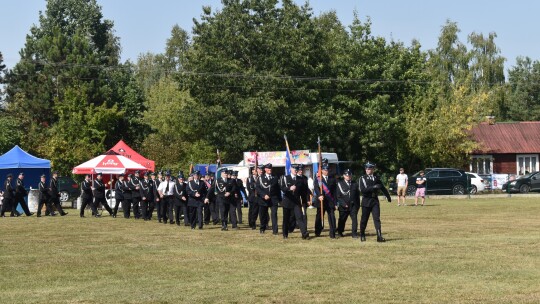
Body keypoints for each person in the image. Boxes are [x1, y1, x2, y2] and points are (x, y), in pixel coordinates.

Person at [359, 161, 391, 242]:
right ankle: (362, 234)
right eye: (366, 168)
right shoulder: (362, 178)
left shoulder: (376, 178)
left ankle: (379, 236)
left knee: (377, 218)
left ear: (373, 169)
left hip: (374, 201)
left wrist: (388, 196)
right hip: (366, 200)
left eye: (369, 168)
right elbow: (362, 190)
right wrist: (373, 187)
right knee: (364, 219)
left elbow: (382, 187)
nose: (368, 170)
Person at [280, 164, 309, 239]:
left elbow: (303, 192)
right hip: (287, 201)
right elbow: (282, 188)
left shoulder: (300, 179)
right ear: (291, 169)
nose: (296, 170)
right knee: (286, 219)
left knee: (299, 217)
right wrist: (289, 188)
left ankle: (304, 233)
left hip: (296, 202)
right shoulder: (285, 178)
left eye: (297, 169)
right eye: (294, 169)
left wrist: (304, 202)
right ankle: (285, 234)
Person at [313, 164, 337, 238]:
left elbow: (334, 192)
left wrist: (335, 202)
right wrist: (319, 195)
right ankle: (317, 231)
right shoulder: (318, 179)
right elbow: (316, 188)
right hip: (321, 201)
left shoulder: (332, 179)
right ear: (322, 171)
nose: (326, 171)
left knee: (332, 217)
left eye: (327, 170)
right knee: (319, 217)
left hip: (330, 201)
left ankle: (332, 233)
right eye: (324, 170)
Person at [257, 164, 280, 235]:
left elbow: (277, 189)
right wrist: (264, 195)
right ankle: (262, 228)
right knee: (263, 215)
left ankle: (275, 230)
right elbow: (258, 188)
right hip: (263, 200)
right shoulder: (260, 178)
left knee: (274, 214)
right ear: (265, 169)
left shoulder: (275, 177)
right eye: (268, 169)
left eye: (270, 169)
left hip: (273, 199)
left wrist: (280, 199)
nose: (270, 170)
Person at [336, 169, 360, 238]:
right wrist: (343, 204)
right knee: (342, 220)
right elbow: (338, 196)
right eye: (347, 175)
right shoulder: (340, 184)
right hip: (344, 206)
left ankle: (354, 233)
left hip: (353, 205)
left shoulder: (354, 184)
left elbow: (357, 196)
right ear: (344, 176)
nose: (348, 177)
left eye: (350, 175)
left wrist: (357, 205)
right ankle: (340, 232)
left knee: (354, 220)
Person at [246, 166, 261, 230]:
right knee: (251, 210)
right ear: (252, 171)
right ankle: (251, 222)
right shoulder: (249, 178)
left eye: (256, 170)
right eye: (254, 170)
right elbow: (249, 188)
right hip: (252, 197)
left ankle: (253, 222)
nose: (256, 171)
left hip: (259, 197)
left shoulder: (260, 178)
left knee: (256, 211)